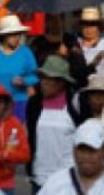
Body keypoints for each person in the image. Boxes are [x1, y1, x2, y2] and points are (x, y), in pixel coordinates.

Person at [27, 55, 81, 191]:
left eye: (48, 79)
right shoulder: (34, 103)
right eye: (42, 78)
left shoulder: (75, 103)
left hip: (69, 177)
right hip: (39, 177)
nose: (43, 82)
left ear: (62, 82)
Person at [38, 119, 104, 194]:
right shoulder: (56, 182)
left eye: (92, 151)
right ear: (73, 150)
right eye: (81, 150)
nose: (86, 156)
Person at [0, 16, 37, 122]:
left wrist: (24, 81)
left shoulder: (26, 52)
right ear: (3, 35)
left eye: (18, 34)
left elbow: (35, 76)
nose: (17, 37)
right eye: (13, 34)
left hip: (18, 102)